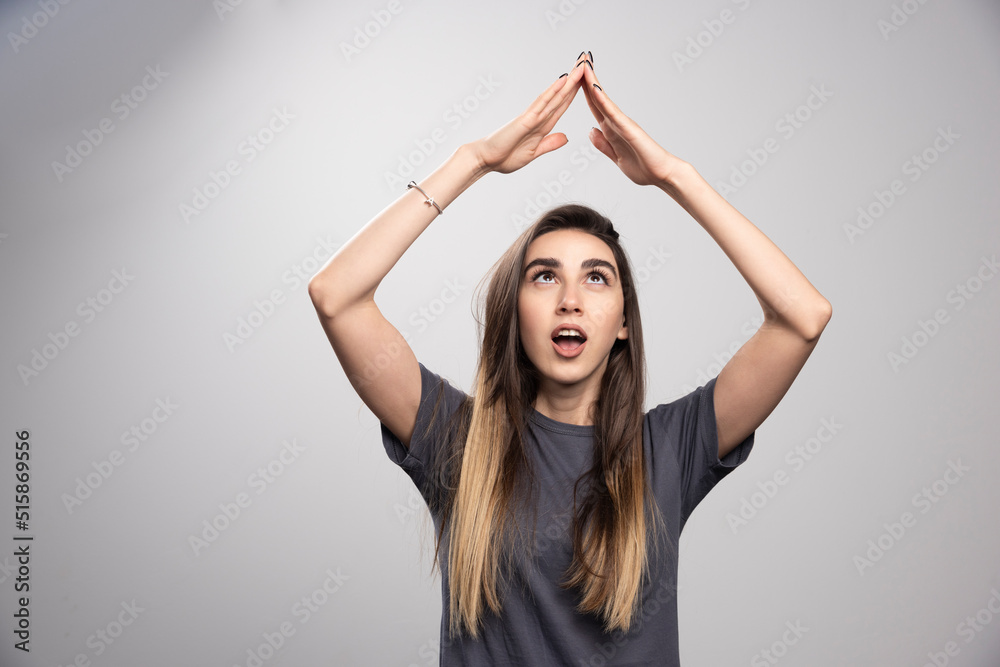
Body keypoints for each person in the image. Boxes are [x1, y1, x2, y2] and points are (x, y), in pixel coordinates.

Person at [308, 50, 832, 666]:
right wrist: (472, 161)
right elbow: (337, 296)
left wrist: (673, 176)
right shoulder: (457, 439)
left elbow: (802, 316)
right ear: (516, 310)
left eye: (597, 279)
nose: (571, 301)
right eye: (544, 277)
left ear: (623, 327)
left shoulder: (670, 448)